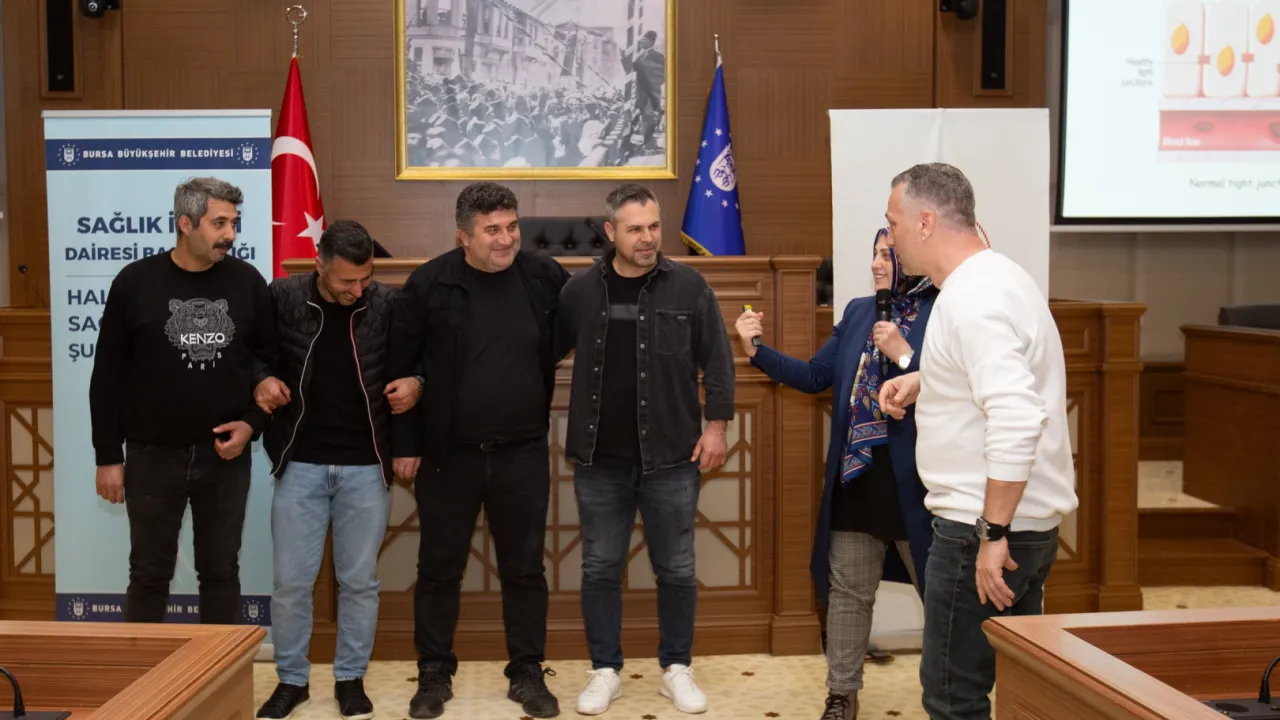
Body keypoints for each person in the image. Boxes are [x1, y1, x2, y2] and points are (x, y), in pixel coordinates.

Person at [877, 163, 1077, 720]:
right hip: (1020, 525)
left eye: (894, 223)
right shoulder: (999, 277)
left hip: (981, 531)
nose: (890, 238)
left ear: (925, 222)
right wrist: (926, 381)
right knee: (1018, 686)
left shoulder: (973, 299)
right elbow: (999, 376)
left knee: (953, 696)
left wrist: (994, 533)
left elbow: (1016, 415)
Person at [735, 229, 936, 720]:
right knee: (847, 594)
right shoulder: (859, 311)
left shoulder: (944, 311)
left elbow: (956, 385)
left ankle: (949, 699)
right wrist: (755, 348)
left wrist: (904, 353)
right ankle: (842, 695)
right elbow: (813, 376)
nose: (876, 264)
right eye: (874, 254)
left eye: (887, 255)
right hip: (857, 474)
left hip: (918, 484)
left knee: (941, 595)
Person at [389, 182, 571, 720]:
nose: (506, 239)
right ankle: (434, 672)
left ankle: (527, 672)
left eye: (512, 226)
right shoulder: (429, 283)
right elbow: (402, 369)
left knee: (525, 569)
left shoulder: (544, 276)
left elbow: (565, 338)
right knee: (438, 568)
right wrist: (406, 444)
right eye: (492, 230)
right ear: (463, 236)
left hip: (522, 452)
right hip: (448, 456)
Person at [556, 183, 735, 716]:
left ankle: (676, 668)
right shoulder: (579, 291)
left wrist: (717, 428)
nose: (648, 238)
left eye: (654, 226)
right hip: (599, 461)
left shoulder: (690, 286)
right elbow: (540, 352)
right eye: (635, 229)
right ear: (610, 231)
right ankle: (604, 670)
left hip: (673, 458)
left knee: (677, 569)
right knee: (599, 568)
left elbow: (718, 360)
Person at [250, 220, 422, 720]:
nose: (357, 289)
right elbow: (253, 355)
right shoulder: (283, 296)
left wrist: (417, 384)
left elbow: (414, 367)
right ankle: (291, 680)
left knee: (359, 582)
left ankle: (350, 678)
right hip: (299, 463)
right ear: (319, 265)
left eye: (365, 278)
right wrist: (262, 379)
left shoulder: (387, 303)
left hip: (366, 466)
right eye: (347, 280)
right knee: (290, 583)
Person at [90, 176, 278, 625]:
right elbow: (107, 375)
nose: (230, 234)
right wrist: (108, 456)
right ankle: (146, 670)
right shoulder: (135, 282)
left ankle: (218, 671)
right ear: (185, 223)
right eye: (219, 223)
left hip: (225, 455)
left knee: (221, 572)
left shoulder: (248, 282)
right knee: (149, 574)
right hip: (151, 456)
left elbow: (270, 366)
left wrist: (252, 424)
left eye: (234, 223)